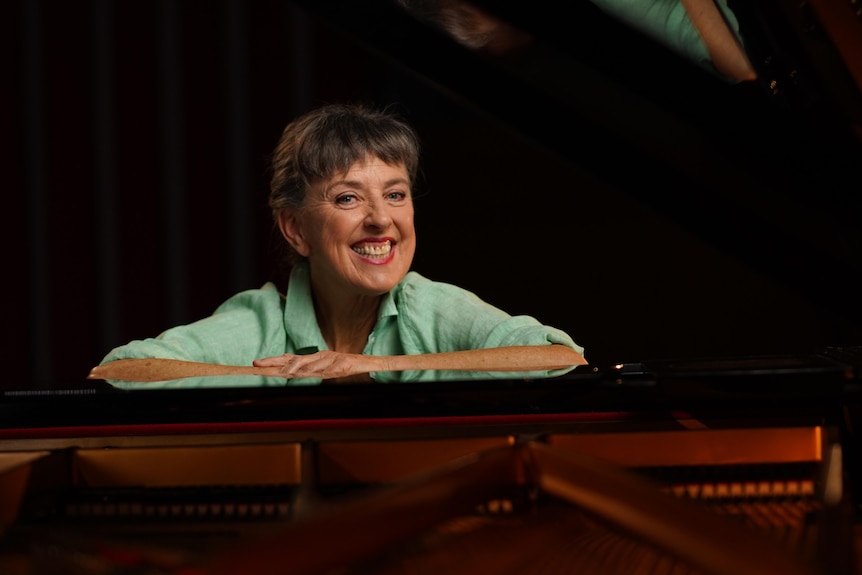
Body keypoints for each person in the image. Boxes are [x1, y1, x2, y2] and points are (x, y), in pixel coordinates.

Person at [91, 103, 586, 387]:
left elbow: (559, 358)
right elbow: (122, 370)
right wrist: (286, 377)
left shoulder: (429, 305)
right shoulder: (261, 320)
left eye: (396, 194)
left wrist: (371, 365)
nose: (381, 220)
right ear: (295, 229)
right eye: (348, 197)